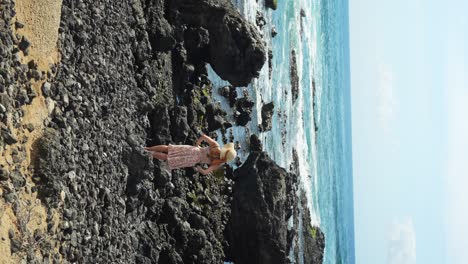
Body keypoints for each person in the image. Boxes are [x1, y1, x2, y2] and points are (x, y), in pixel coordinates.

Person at [145, 134, 236, 175]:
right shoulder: (218, 163)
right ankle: (149, 153)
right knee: (167, 158)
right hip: (192, 160)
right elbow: (204, 172)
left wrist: (197, 145)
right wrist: (198, 167)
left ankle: (147, 148)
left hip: (193, 150)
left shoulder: (215, 145)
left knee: (168, 149)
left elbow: (203, 137)